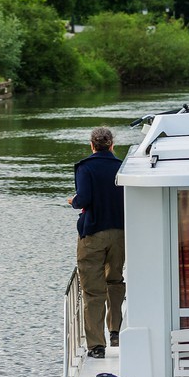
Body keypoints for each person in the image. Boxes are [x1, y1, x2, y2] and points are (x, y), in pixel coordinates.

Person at [69, 126, 125, 359]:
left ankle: (97, 346)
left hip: (93, 234)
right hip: (120, 233)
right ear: (112, 145)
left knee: (93, 290)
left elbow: (85, 198)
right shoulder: (122, 166)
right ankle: (116, 332)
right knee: (115, 280)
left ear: (92, 145)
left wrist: (73, 201)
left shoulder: (85, 167)